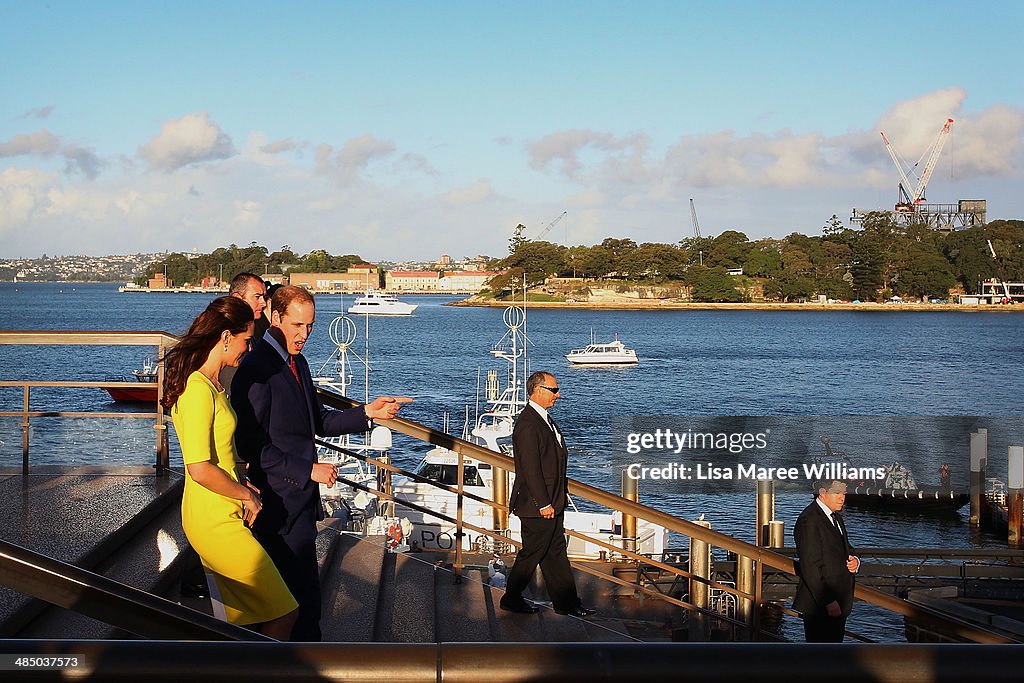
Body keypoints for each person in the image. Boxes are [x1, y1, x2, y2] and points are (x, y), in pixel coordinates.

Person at [231, 285, 412, 641]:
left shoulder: (297, 362)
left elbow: (318, 421)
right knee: (293, 609)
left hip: (299, 504)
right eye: (298, 325)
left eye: (310, 326)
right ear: (274, 315)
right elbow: (252, 446)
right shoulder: (257, 368)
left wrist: (367, 414)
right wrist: (307, 471)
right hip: (274, 506)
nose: (305, 334)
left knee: (304, 605)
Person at [162, 296, 297, 639]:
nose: (248, 348)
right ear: (225, 337)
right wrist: (247, 496)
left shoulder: (215, 385)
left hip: (225, 508)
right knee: (285, 610)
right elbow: (199, 468)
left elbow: (220, 455)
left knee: (241, 623)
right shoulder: (196, 390)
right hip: (212, 518)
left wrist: (242, 484)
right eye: (245, 340)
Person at [500, 371, 595, 618]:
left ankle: (567, 603)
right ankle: (511, 598)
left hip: (553, 501)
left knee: (555, 552)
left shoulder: (545, 420)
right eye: (554, 390)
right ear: (539, 390)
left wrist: (554, 500)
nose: (558, 395)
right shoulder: (528, 424)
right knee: (532, 552)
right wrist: (543, 503)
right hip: (537, 505)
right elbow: (530, 468)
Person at [793, 479, 861, 642]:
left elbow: (846, 548)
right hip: (821, 606)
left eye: (844, 492)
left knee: (833, 655)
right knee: (820, 658)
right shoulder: (809, 520)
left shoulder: (835, 517)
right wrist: (828, 601)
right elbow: (810, 566)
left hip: (838, 601)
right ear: (823, 493)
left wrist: (855, 560)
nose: (842, 497)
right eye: (837, 493)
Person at [228, 272, 269, 341]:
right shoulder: (223, 330)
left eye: (264, 297)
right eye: (257, 297)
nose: (264, 303)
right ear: (238, 298)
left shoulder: (258, 328)